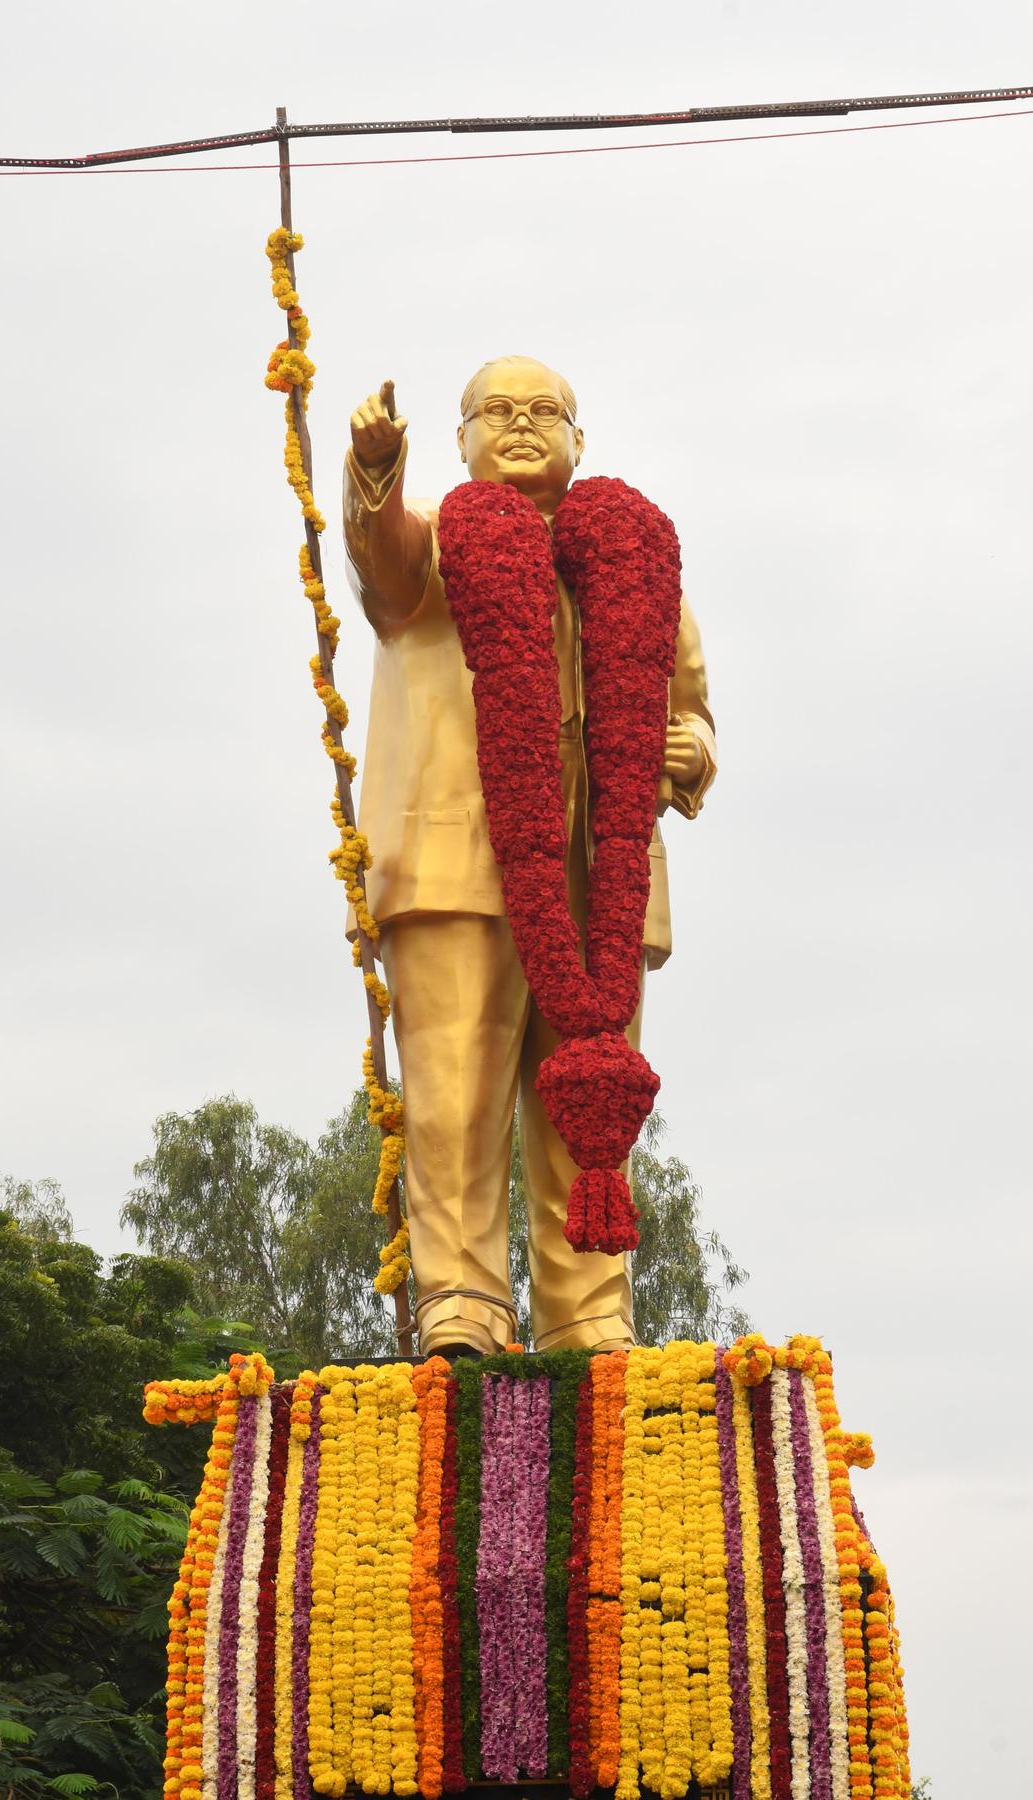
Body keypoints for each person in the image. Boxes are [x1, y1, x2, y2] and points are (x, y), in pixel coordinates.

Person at [343, 356, 716, 1358]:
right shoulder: (435, 547)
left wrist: (692, 751)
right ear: (461, 437)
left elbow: (691, 708)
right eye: (495, 412)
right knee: (453, 1101)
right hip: (456, 868)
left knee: (587, 1110)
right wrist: (374, 470)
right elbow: (378, 564)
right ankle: (461, 1303)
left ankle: (587, 1313)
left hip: (604, 881)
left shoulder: (633, 566)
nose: (519, 425)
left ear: (579, 440)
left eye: (543, 411)